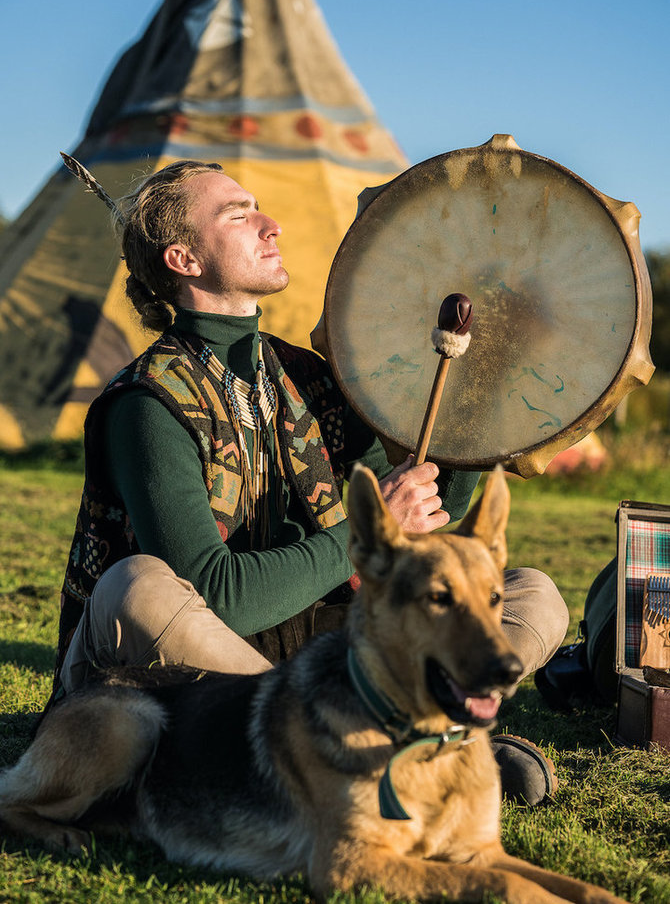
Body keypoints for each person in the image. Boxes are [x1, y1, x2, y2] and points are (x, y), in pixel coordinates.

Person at [56, 160, 569, 803]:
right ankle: (390, 743)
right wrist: (364, 528)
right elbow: (217, 596)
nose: (271, 225)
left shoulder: (310, 373)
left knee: (531, 595)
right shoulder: (147, 404)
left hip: (314, 650)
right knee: (137, 589)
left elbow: (425, 510)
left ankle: (387, 729)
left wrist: (469, 412)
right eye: (239, 215)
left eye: (259, 207)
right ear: (184, 258)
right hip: (194, 669)